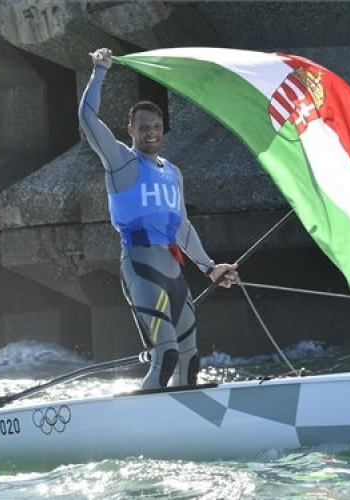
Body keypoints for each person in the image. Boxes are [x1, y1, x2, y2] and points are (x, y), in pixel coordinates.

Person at [78, 47, 238, 389]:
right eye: (143, 128)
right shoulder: (120, 162)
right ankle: (138, 416)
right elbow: (88, 119)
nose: (151, 132)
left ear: (163, 128)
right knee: (166, 356)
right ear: (131, 130)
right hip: (140, 266)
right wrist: (99, 71)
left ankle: (187, 415)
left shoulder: (172, 172)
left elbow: (182, 227)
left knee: (190, 361)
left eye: (156, 126)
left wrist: (210, 268)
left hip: (174, 272)